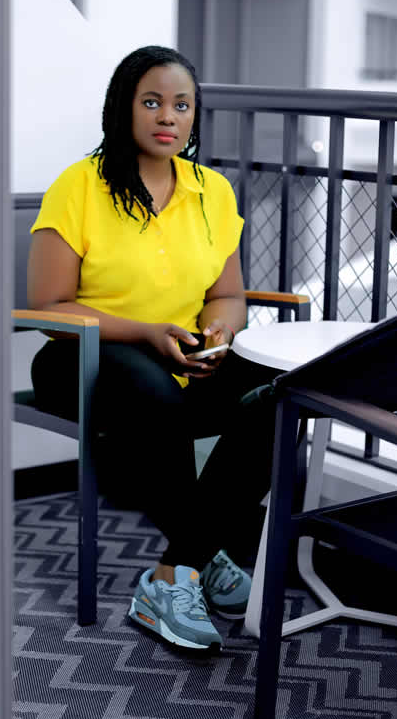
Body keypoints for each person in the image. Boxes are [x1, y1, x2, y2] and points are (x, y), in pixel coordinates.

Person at [27, 45, 281, 651]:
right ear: (123, 107)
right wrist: (145, 332)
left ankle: (180, 566)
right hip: (81, 357)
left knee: (275, 396)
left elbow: (227, 295)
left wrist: (217, 336)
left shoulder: (212, 190)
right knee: (153, 396)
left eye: (182, 105)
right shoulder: (79, 186)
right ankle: (204, 559)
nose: (168, 116)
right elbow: (49, 307)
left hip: (183, 361)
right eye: (152, 102)